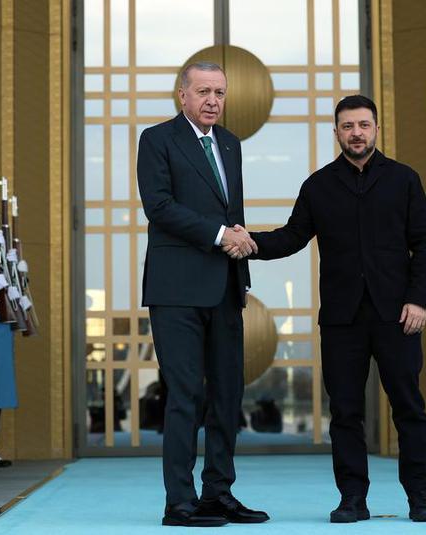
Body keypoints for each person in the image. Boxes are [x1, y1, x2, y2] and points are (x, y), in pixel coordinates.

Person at [234, 95, 426, 523]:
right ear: (337, 133)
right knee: (345, 412)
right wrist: (248, 241)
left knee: (408, 407)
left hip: (397, 315)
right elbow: (291, 236)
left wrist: (419, 299)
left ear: (376, 129)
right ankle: (352, 500)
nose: (356, 133)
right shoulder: (318, 186)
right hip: (342, 320)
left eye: (363, 125)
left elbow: (423, 244)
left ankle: (420, 497)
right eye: (348, 126)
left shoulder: (404, 180)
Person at [136, 61, 268, 527]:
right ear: (183, 95)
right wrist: (219, 235)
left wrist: (238, 249)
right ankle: (179, 502)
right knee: (185, 395)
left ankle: (218, 494)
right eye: (204, 92)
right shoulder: (157, 140)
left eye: (220, 93)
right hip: (176, 290)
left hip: (225, 287)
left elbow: (231, 211)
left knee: (227, 396)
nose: (213, 100)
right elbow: (159, 206)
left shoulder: (229, 143)